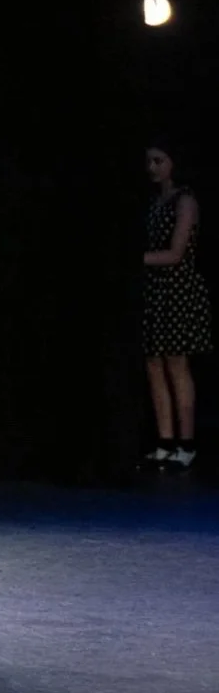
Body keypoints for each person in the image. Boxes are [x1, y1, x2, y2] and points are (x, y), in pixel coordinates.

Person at [141, 139, 211, 472]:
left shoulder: (185, 201)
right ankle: (165, 441)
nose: (152, 167)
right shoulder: (155, 201)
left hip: (179, 289)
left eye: (159, 160)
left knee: (176, 364)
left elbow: (176, 253)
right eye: (149, 161)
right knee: (154, 363)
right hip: (156, 289)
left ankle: (187, 442)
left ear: (173, 163)